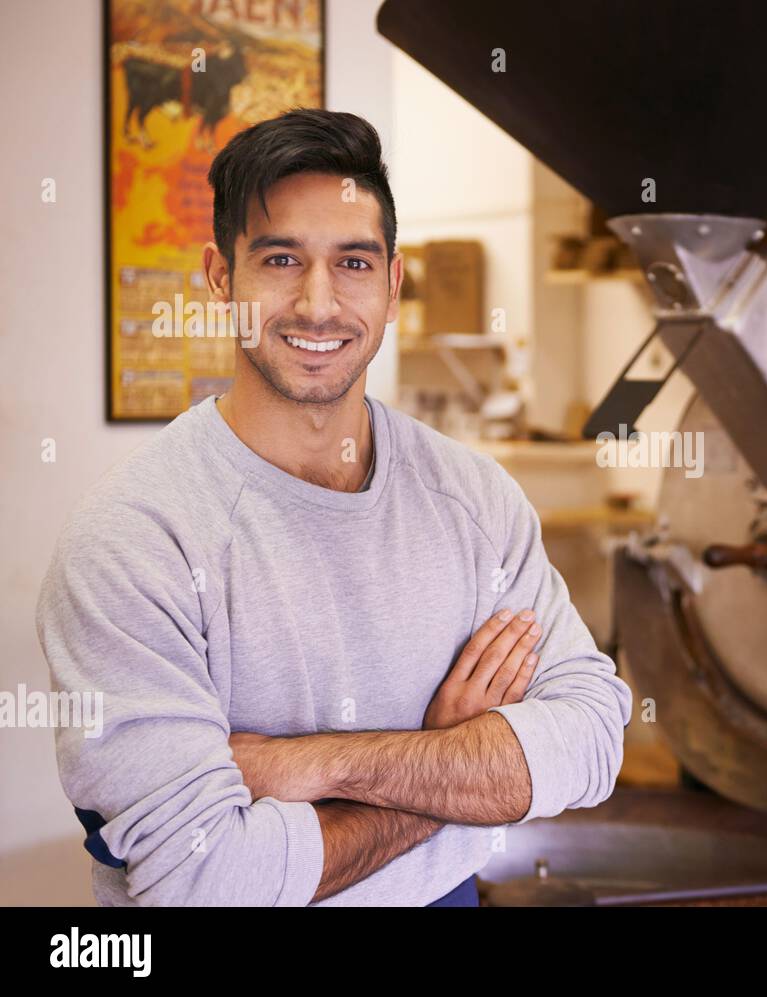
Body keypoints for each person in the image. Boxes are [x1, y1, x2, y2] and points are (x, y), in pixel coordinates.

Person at [35, 108, 632, 906]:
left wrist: (316, 762)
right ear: (221, 278)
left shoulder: (475, 500)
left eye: (353, 262)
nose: (318, 304)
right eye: (281, 259)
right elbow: (205, 882)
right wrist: (447, 760)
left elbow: (593, 739)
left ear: (391, 285)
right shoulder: (136, 542)